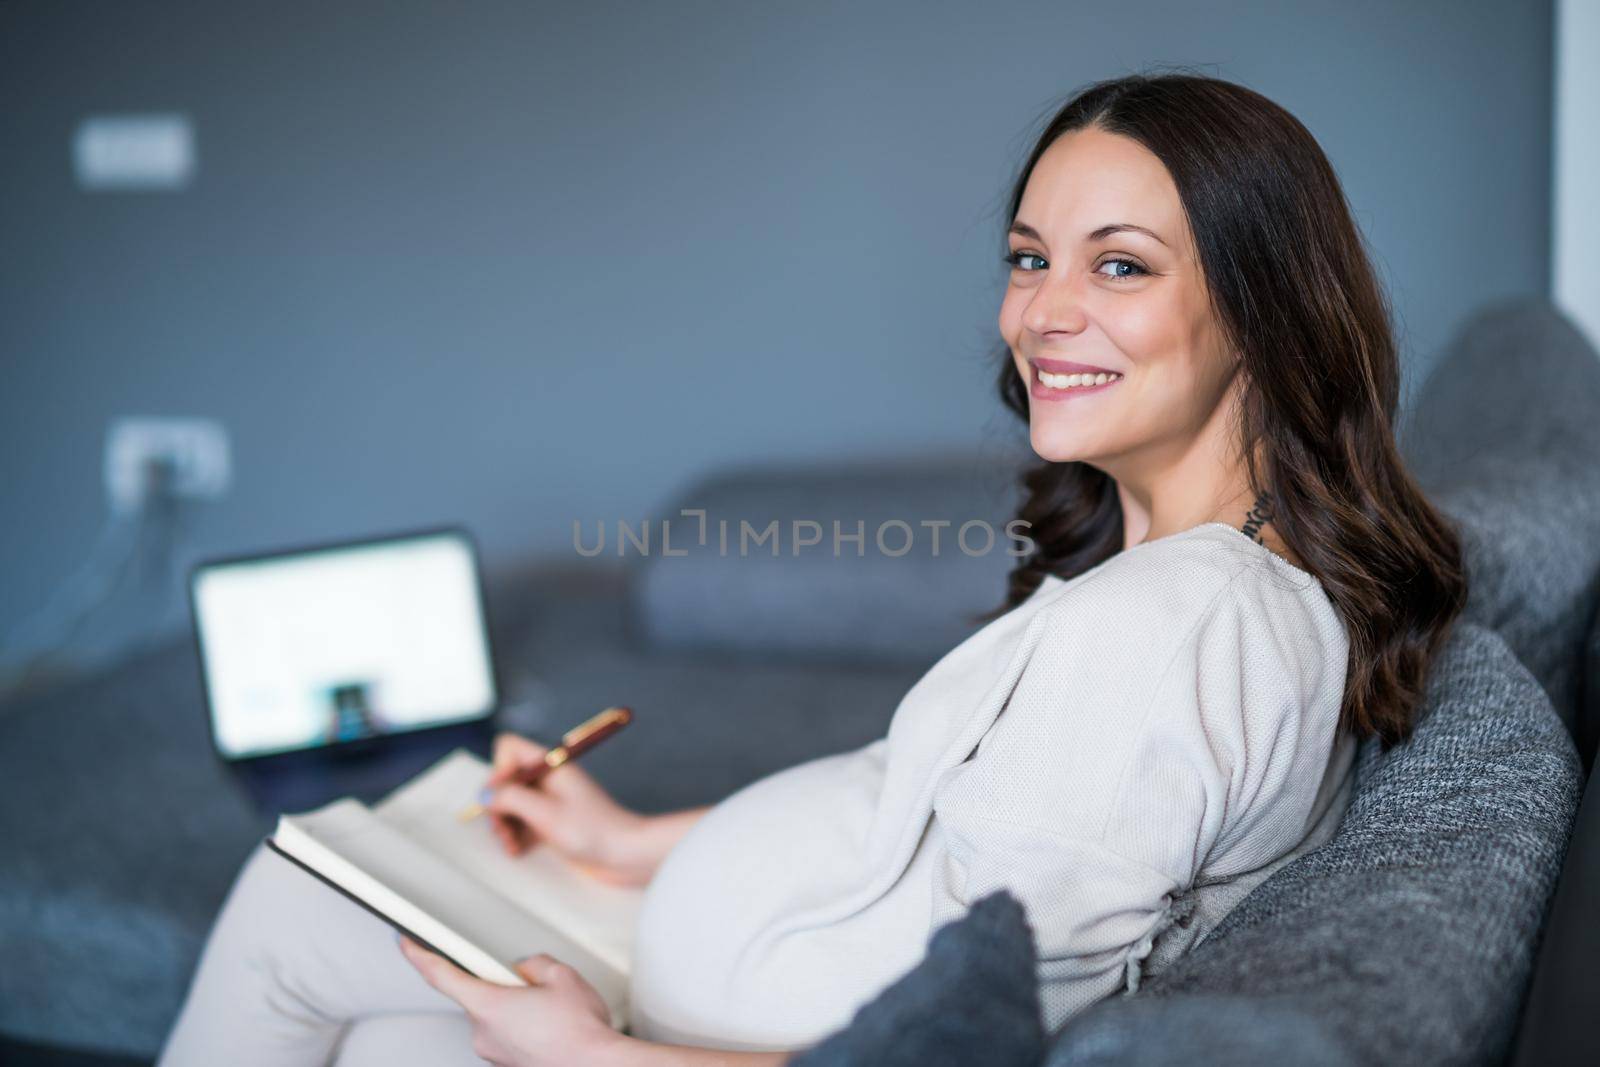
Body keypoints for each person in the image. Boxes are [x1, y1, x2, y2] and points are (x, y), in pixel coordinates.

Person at [157, 69, 1468, 1066]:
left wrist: (595, 1057)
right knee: (386, 1029)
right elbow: (928, 818)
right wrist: (631, 845)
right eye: (1029, 257)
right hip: (702, 976)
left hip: (694, 1033)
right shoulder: (1189, 575)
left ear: (1263, 307)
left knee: (297, 910)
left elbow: (976, 1038)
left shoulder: (1185, 627)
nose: (1041, 311)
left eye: (1119, 266)